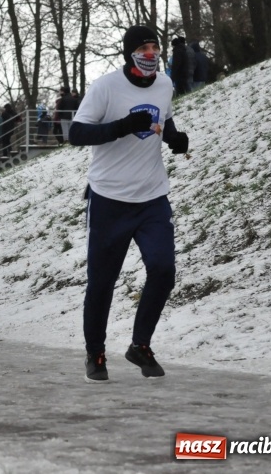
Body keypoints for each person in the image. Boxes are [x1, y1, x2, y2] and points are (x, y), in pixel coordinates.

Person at [69, 25, 189, 383]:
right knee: (102, 282)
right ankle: (96, 353)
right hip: (109, 199)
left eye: (154, 46)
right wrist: (121, 126)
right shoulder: (105, 87)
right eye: (143, 47)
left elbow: (162, 120)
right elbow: (76, 133)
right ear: (129, 53)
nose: (150, 53)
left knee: (163, 269)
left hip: (152, 196)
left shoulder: (165, 84)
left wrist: (175, 139)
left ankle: (140, 346)